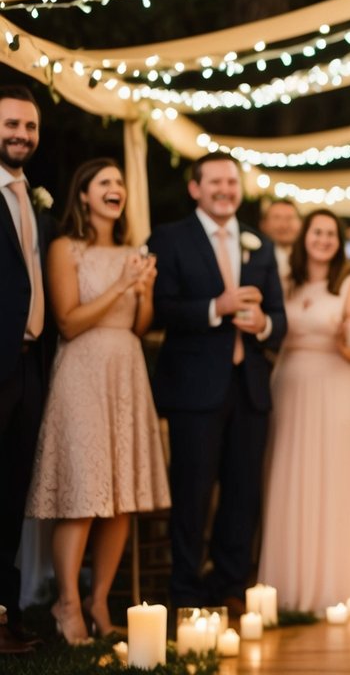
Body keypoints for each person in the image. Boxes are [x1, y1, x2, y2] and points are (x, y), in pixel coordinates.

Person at [25, 158, 170, 643]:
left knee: (122, 497)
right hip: (82, 372)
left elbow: (139, 326)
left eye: (120, 183)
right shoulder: (65, 248)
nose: (116, 188)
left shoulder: (133, 251)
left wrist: (144, 292)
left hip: (126, 370)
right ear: (84, 195)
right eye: (105, 182)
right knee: (83, 496)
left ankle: (99, 602)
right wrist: (122, 284)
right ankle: (66, 604)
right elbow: (68, 321)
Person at [148, 151, 286, 613]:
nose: (226, 190)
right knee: (192, 493)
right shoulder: (169, 238)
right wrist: (216, 307)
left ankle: (230, 585)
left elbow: (279, 317)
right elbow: (161, 308)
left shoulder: (259, 243)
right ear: (195, 188)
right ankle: (186, 591)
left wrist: (264, 324)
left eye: (232, 182)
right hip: (193, 389)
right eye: (216, 182)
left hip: (249, 387)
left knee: (243, 493)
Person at [259, 210, 350, 612]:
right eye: (317, 232)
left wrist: (347, 335)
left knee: (333, 477)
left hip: (337, 385)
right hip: (289, 385)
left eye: (331, 234)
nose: (324, 239)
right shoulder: (284, 281)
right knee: (287, 476)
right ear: (304, 238)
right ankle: (287, 585)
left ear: (338, 242)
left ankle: (336, 584)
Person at [0, 85, 53, 654]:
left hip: (29, 367)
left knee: (12, 495)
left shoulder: (31, 198)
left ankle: (6, 615)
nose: (21, 134)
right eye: (12, 124)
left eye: (30, 126)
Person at [260, 198, 301, 281]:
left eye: (289, 218)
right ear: (263, 224)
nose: (284, 225)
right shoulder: (255, 259)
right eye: (277, 218)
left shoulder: (311, 257)